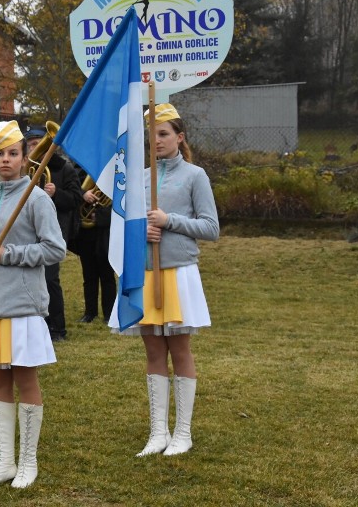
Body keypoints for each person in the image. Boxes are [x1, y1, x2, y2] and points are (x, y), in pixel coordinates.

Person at [0, 120, 65, 489]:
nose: (5, 160)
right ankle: (4, 462)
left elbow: (55, 249)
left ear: (24, 158)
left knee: (26, 379)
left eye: (13, 154)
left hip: (22, 305)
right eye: (0, 153)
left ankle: (28, 463)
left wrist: (10, 254)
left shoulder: (36, 198)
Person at [116, 103, 219, 457]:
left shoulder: (195, 175)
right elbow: (128, 226)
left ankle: (183, 432)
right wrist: (142, 230)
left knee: (180, 348)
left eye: (163, 134)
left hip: (178, 272)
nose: (156, 141)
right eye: (152, 135)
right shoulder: (140, 177)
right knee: (153, 349)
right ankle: (158, 432)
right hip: (145, 272)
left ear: (179, 137)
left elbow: (211, 228)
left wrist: (168, 220)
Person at [23, 124, 82, 342]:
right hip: (30, 229)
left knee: (50, 279)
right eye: (30, 145)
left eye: (37, 144)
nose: (33, 148)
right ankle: (39, 324)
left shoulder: (63, 168)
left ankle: (58, 328)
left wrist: (57, 193)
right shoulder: (26, 168)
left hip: (55, 229)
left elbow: (76, 199)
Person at [72, 170, 116, 324]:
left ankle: (109, 313)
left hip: (105, 231)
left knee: (107, 275)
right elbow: (71, 191)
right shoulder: (77, 171)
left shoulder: (113, 174)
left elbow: (121, 203)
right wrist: (83, 194)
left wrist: (100, 217)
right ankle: (90, 312)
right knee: (89, 275)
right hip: (85, 233)